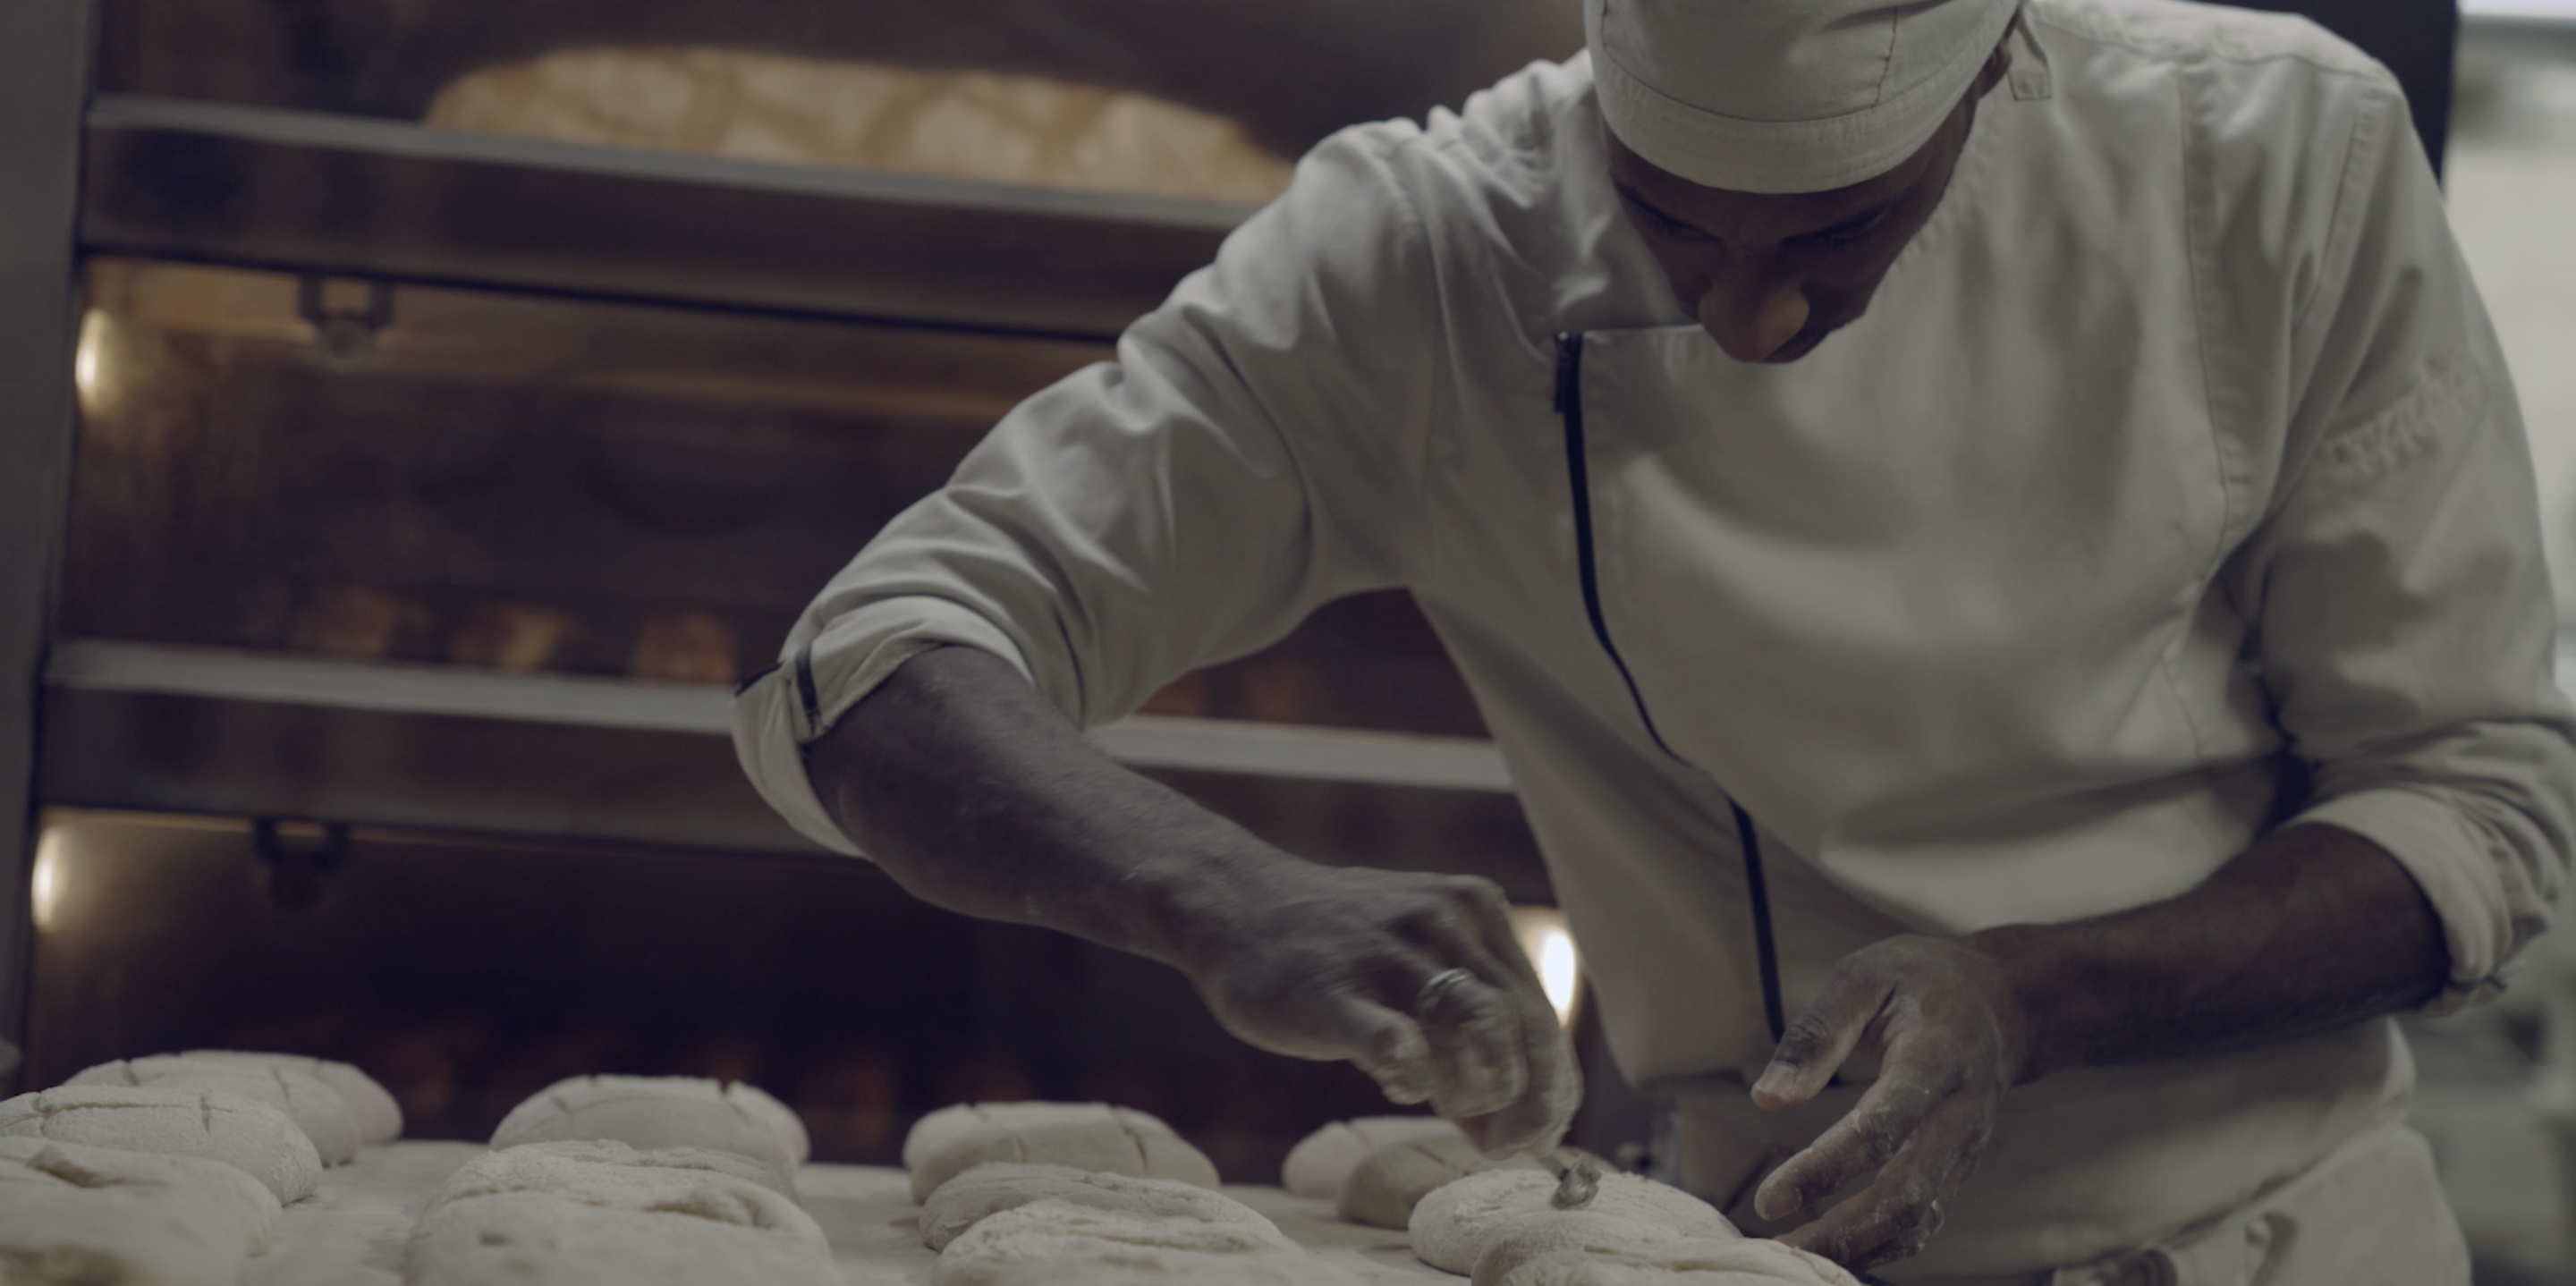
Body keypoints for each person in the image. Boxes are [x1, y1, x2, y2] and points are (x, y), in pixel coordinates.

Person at [733, 0, 2575, 1280]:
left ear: (1996, 60)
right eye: (1676, 226)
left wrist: (2028, 991)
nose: (1756, 316)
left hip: (2270, 1243)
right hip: (1730, 1254)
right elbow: (872, 667)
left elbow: (2477, 796)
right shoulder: (1429, 253)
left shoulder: (2276, 167)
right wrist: (1226, 895)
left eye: (1842, 231)